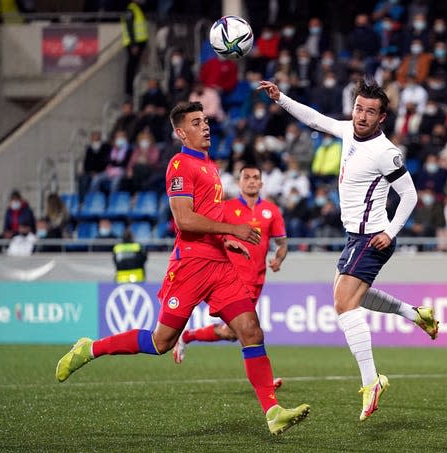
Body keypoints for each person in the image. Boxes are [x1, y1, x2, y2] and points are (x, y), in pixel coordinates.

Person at [56, 101, 309, 436]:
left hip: (220, 265)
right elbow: (184, 219)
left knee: (251, 331)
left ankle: (272, 411)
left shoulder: (209, 165)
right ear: (180, 132)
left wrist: (226, 242)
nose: (205, 126)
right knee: (161, 342)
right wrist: (232, 231)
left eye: (205, 120)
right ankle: (89, 348)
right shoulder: (179, 164)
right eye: (196, 122)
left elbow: (209, 218)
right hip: (190, 265)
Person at [258, 79, 438, 421]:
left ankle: (372, 382)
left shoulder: (385, 152)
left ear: (382, 117)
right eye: (359, 108)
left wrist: (389, 230)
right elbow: (313, 119)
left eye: (371, 112)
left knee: (343, 303)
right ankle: (415, 315)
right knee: (353, 297)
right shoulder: (346, 131)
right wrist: (280, 98)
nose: (362, 116)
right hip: (354, 237)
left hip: (372, 238)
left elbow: (410, 196)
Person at [173, 165, 288, 388]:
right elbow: (206, 230)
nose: (252, 181)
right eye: (247, 177)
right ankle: (265, 381)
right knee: (251, 332)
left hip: (257, 279)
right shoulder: (225, 208)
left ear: (262, 183)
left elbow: (282, 243)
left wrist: (279, 259)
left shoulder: (271, 211)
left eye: (256, 178)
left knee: (231, 333)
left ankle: (188, 336)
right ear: (239, 182)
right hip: (231, 278)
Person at [121, 0, 148, 96]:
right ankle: (129, 90)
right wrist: (133, 44)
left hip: (139, 43)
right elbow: (129, 27)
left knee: (135, 66)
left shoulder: (137, 8)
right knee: (131, 67)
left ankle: (133, 89)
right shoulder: (131, 9)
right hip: (134, 43)